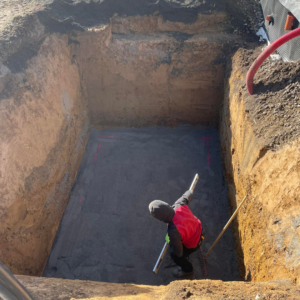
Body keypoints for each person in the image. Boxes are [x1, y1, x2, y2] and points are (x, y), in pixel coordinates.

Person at [149, 190, 203, 278]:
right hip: (199, 229)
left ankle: (188, 270)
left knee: (175, 255)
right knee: (179, 239)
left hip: (194, 243)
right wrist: (190, 191)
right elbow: (189, 194)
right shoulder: (179, 204)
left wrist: (172, 241)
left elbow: (179, 253)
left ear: (161, 219)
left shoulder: (173, 231)